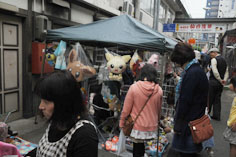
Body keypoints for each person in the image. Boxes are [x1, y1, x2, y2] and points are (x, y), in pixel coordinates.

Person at [34, 70, 98, 157]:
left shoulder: (85, 135)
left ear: (63, 102)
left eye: (46, 102)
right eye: (41, 100)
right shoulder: (57, 120)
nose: (40, 106)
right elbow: (42, 149)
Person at [170, 42, 209, 156]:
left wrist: (178, 125)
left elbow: (185, 102)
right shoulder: (196, 70)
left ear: (181, 59)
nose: (178, 65)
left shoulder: (192, 73)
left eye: (177, 62)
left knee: (186, 153)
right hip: (194, 121)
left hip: (189, 124)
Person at [119, 64, 163, 157]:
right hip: (151, 127)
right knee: (142, 148)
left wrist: (122, 123)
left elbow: (126, 110)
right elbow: (158, 110)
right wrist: (158, 122)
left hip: (137, 126)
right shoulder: (159, 90)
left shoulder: (134, 88)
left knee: (137, 148)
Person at [208, 47, 229, 121]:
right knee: (217, 99)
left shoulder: (214, 60)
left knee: (209, 98)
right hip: (220, 84)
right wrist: (224, 80)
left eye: (211, 53)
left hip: (213, 82)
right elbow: (227, 71)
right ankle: (216, 115)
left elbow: (215, 71)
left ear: (214, 52)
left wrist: (220, 79)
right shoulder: (224, 60)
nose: (210, 55)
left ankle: (207, 114)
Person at [223, 76, 236, 157]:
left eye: (232, 84)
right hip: (233, 123)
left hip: (234, 125)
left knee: (233, 145)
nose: (230, 86)